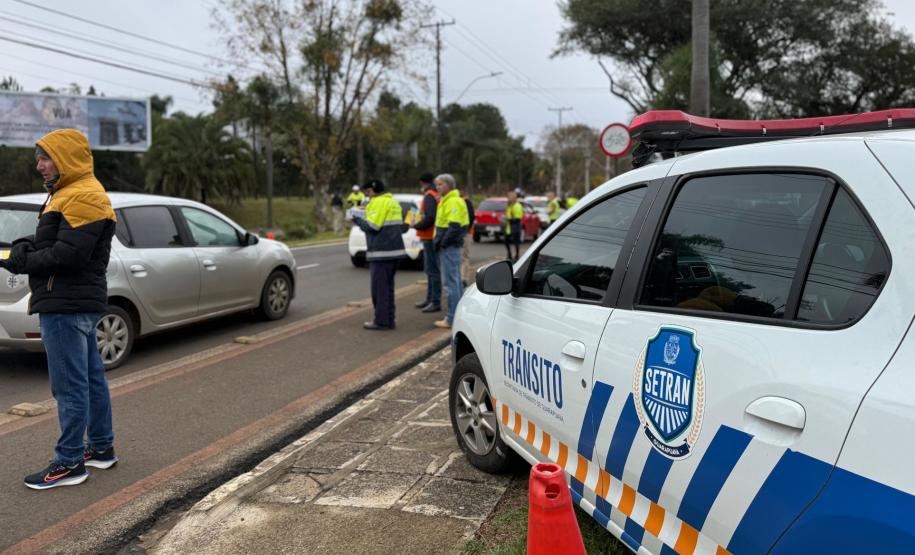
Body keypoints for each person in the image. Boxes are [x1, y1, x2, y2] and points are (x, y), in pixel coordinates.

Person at [0, 129, 118, 490]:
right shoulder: (68, 194)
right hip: (71, 300)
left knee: (70, 388)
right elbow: (51, 241)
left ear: (65, 158)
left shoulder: (82, 195)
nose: (38, 164)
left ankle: (69, 463)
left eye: (45, 156)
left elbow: (69, 255)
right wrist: (21, 247)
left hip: (66, 302)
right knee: (90, 381)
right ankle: (100, 448)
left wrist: (22, 263)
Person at [350, 179, 405, 330]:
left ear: (372, 191)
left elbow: (373, 226)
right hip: (395, 252)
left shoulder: (377, 202)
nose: (367, 196)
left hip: (381, 253)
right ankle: (389, 319)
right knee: (388, 288)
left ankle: (381, 321)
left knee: (379, 290)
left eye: (367, 192)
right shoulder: (392, 201)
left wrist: (357, 219)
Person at [432, 174, 469, 329]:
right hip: (451, 246)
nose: (437, 187)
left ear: (448, 185)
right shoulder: (448, 200)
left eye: (440, 184)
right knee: (455, 281)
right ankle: (459, 315)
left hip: (450, 247)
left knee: (450, 283)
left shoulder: (452, 201)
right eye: (437, 184)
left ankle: (452, 318)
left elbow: (454, 227)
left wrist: (442, 243)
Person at [411, 173, 440, 312]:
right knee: (431, 270)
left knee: (431, 271)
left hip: (429, 237)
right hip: (432, 236)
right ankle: (430, 299)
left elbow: (430, 218)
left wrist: (416, 225)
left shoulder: (429, 195)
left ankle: (434, 301)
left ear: (423, 182)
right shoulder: (435, 194)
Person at [460, 192, 475, 285]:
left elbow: (471, 217)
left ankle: (464, 279)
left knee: (464, 256)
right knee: (462, 257)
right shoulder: (461, 201)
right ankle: (462, 278)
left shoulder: (466, 201)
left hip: (465, 233)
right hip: (463, 232)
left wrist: (466, 230)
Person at [504, 190, 523, 263]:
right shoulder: (509, 205)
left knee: (516, 242)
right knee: (506, 241)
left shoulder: (517, 206)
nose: (508, 199)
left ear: (513, 198)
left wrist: (509, 219)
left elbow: (518, 218)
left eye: (509, 197)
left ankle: (517, 256)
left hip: (515, 226)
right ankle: (509, 254)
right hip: (509, 227)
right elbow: (508, 214)